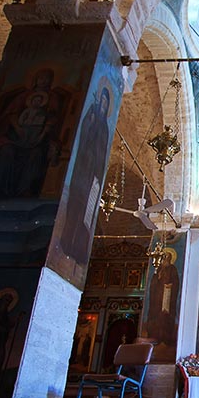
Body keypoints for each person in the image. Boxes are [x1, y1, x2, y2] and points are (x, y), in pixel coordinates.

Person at [0, 68, 63, 200]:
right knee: (4, 151)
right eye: (41, 77)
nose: (44, 81)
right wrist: (18, 128)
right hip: (15, 136)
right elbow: (10, 114)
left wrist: (42, 133)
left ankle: (25, 191)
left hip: (38, 139)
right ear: (35, 79)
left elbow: (53, 118)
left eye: (47, 78)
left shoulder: (52, 98)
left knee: (35, 155)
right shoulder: (23, 96)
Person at [59, 86, 111, 265]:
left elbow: (102, 153)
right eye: (102, 101)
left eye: (106, 102)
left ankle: (79, 250)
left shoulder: (104, 127)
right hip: (81, 171)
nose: (103, 105)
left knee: (87, 215)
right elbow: (83, 135)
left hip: (94, 176)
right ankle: (66, 242)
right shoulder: (91, 116)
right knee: (74, 208)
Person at [147, 250, 180, 347]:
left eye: (166, 257)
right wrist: (158, 278)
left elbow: (176, 282)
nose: (165, 259)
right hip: (157, 296)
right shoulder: (158, 268)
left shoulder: (172, 269)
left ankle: (167, 338)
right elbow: (153, 282)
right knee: (156, 314)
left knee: (167, 315)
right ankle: (154, 337)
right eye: (164, 257)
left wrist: (170, 285)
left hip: (168, 295)